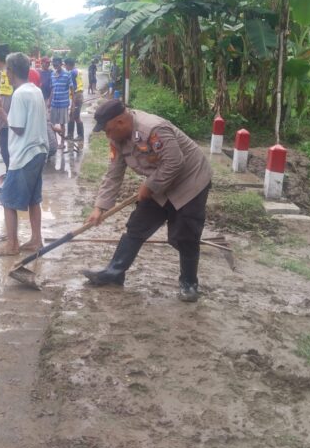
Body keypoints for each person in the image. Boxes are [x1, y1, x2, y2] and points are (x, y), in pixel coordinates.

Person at [81, 99, 213, 302]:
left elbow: (175, 162)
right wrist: (100, 207)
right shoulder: (118, 139)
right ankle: (115, 272)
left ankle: (189, 283)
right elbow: (113, 174)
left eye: (107, 130)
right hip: (161, 184)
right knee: (137, 225)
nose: (107, 136)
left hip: (190, 182)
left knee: (185, 234)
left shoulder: (152, 129)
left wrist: (150, 186)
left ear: (120, 122)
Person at [0, 52, 49, 256]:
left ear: (11, 71)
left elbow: (17, 127)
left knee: (7, 200)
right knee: (33, 199)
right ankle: (36, 239)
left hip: (24, 154)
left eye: (7, 69)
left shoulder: (21, 94)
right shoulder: (36, 91)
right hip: (39, 151)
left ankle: (12, 245)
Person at [49, 57, 71, 150]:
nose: (55, 66)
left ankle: (62, 143)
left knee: (62, 124)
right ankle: (55, 142)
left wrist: (72, 105)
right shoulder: (52, 75)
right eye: (54, 65)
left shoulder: (67, 74)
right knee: (52, 124)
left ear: (61, 64)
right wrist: (49, 102)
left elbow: (72, 89)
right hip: (54, 103)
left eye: (57, 65)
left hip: (63, 103)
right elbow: (52, 89)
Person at [64, 57, 84, 150]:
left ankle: (80, 135)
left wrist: (73, 100)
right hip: (78, 94)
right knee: (72, 115)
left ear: (69, 65)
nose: (65, 67)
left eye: (65, 65)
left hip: (76, 95)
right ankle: (70, 134)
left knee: (75, 116)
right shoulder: (77, 70)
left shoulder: (72, 72)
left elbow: (73, 86)